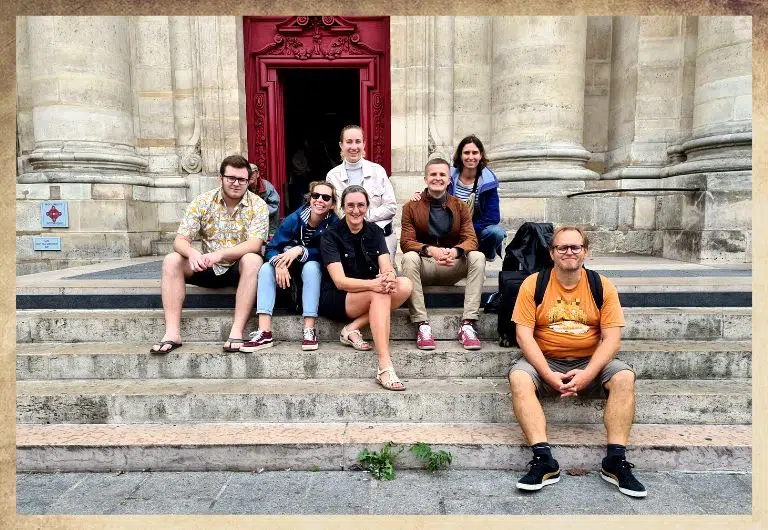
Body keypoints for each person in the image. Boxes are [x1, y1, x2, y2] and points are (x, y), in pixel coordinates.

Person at [508, 226, 646, 497]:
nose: (569, 252)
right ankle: (543, 459)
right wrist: (547, 374)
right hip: (546, 360)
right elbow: (523, 336)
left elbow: (612, 340)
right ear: (552, 253)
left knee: (624, 376)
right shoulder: (533, 284)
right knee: (519, 376)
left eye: (575, 247)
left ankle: (615, 461)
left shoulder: (602, 286)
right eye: (562, 247)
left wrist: (587, 374)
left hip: (591, 361)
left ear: (586, 252)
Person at [150, 154, 269, 354]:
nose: (236, 183)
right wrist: (192, 253)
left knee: (253, 259)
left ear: (249, 181)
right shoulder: (202, 201)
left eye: (242, 179)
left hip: (238, 268)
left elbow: (255, 243)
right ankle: (172, 333)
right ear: (220, 178)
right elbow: (180, 240)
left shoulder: (258, 205)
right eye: (231, 178)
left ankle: (237, 331)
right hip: (206, 265)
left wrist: (221, 255)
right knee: (172, 260)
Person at [319, 185, 413, 391]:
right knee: (380, 294)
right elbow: (340, 282)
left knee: (404, 285)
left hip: (370, 291)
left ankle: (352, 328)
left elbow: (386, 266)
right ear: (342, 207)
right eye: (350, 205)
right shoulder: (330, 235)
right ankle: (384, 365)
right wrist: (376, 285)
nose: (355, 210)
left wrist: (388, 277)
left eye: (361, 205)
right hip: (339, 297)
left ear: (367, 207)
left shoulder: (375, 231)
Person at [399, 158, 486, 351]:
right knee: (409, 257)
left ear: (449, 180)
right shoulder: (410, 207)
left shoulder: (460, 206)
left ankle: (468, 324)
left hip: (451, 265)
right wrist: (430, 250)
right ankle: (422, 324)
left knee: (477, 256)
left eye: (442, 175)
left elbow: (471, 239)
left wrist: (455, 252)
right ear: (425, 178)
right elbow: (406, 242)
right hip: (425, 267)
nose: (437, 178)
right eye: (433, 174)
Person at [241, 181, 338, 352]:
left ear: (332, 204)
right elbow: (271, 248)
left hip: (315, 273)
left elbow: (328, 254)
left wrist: (300, 250)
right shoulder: (294, 219)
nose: (320, 200)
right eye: (316, 196)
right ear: (310, 199)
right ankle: (264, 332)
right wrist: (279, 264)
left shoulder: (335, 224)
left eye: (326, 197)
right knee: (265, 269)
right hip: (287, 270)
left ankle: (309, 329)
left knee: (311, 267)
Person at [410, 135, 505, 261]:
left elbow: (493, 217)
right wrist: (420, 195)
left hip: (475, 228)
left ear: (481, 155)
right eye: (466, 153)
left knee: (496, 232)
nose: (470, 157)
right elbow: (436, 188)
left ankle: (482, 255)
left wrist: (466, 230)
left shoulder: (488, 181)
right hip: (450, 226)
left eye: (475, 153)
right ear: (460, 155)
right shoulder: (450, 175)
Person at [326, 125, 398, 262]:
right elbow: (335, 210)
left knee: (387, 278)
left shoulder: (378, 171)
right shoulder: (332, 176)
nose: (354, 147)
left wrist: (362, 215)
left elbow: (391, 207)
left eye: (358, 141)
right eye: (349, 142)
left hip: (382, 238)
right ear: (341, 145)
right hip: (347, 241)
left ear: (364, 144)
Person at [248, 163, 280, 238]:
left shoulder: (267, 186)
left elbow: (274, 205)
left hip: (266, 217)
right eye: (248, 173)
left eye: (252, 173)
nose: (250, 175)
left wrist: (259, 210)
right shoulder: (243, 186)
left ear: (257, 174)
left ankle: (271, 234)